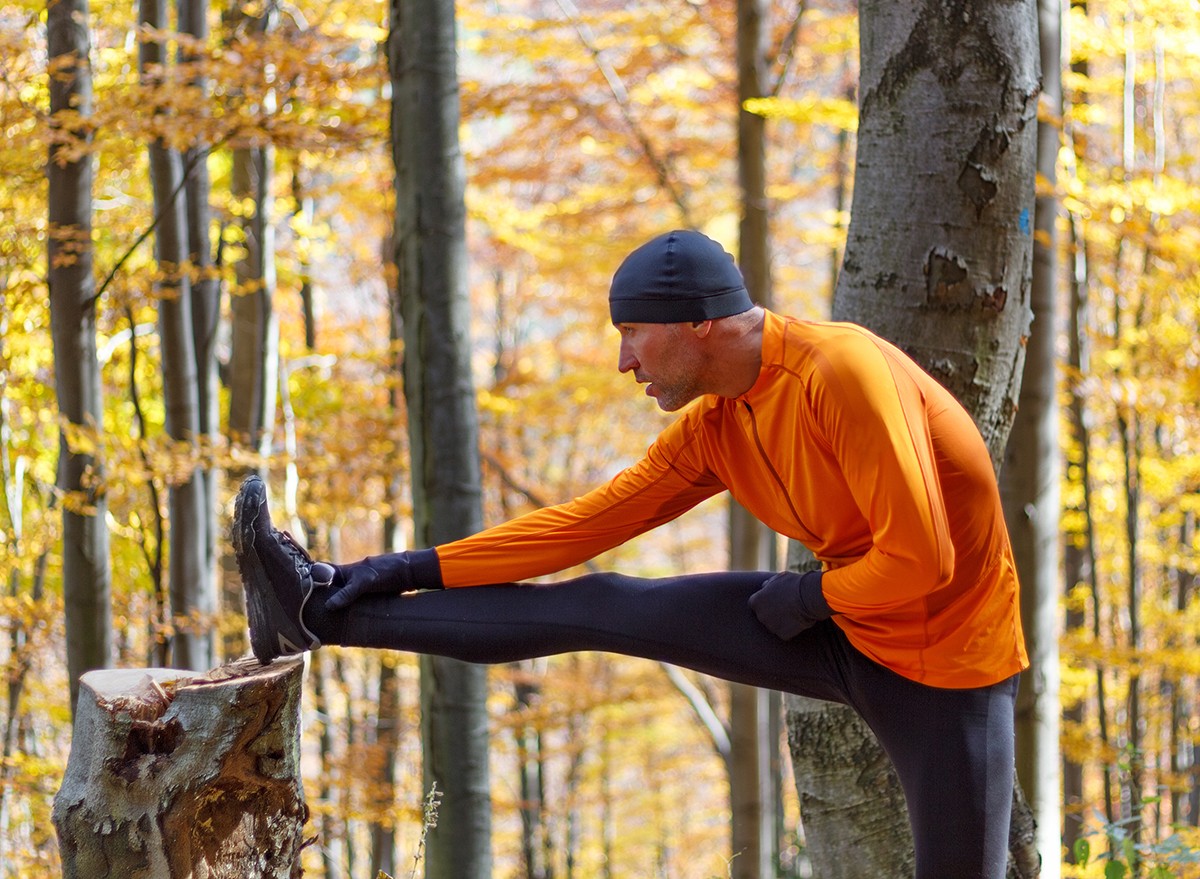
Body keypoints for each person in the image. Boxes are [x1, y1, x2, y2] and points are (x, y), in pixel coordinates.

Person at [234, 229, 1028, 879]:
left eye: (632, 332)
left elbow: (925, 560)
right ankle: (318, 610)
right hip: (842, 620)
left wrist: (812, 598)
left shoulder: (840, 373)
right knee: (601, 600)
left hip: (946, 664)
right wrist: (392, 568)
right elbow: (579, 528)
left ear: (699, 323)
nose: (624, 361)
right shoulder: (722, 422)